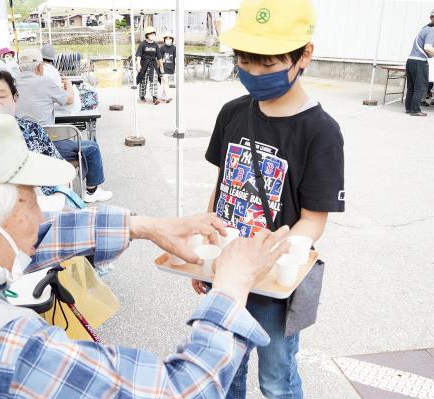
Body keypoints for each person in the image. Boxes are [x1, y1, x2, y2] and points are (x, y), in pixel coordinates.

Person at [0, 105, 292, 398]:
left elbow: (31, 237)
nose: (41, 212)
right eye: (31, 197)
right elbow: (181, 389)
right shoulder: (1, 349)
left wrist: (145, 227)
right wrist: (231, 287)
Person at [194, 0, 346, 397]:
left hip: (276, 284)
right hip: (226, 270)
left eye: (268, 63)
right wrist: (206, 253)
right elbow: (222, 184)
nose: (254, 72)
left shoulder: (321, 132)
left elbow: (314, 220)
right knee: (225, 371)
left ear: (304, 55)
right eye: (245, 60)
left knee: (276, 379)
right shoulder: (231, 112)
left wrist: (264, 261)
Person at [0, 70, 113, 202]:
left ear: (15, 98)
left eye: (3, 96)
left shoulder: (32, 130)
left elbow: (58, 167)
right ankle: (92, 190)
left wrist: (59, 196)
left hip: (43, 202)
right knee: (91, 148)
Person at [15, 48, 75, 126]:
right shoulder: (45, 81)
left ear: (20, 68)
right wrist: (68, 82)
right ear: (40, 66)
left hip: (21, 134)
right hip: (44, 134)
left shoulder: (12, 82)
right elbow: (70, 99)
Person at [405, 10, 434, 116]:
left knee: (411, 87)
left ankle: (409, 108)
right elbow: (428, 48)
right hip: (419, 62)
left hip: (411, 60)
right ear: (432, 18)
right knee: (421, 88)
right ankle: (415, 110)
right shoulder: (432, 30)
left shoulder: (424, 29)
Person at [136, 26, 163, 105]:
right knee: (143, 81)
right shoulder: (143, 44)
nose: (153, 36)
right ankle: (142, 95)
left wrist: (161, 67)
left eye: (154, 34)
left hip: (153, 66)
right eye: (151, 34)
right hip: (144, 65)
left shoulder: (155, 45)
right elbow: (138, 55)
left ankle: (155, 97)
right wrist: (138, 65)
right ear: (147, 35)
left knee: (154, 81)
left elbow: (159, 57)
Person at [159, 32, 176, 102]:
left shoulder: (174, 48)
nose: (168, 40)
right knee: (165, 81)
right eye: (166, 38)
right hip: (163, 68)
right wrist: (161, 67)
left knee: (164, 82)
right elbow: (159, 59)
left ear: (172, 40)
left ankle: (162, 96)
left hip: (171, 68)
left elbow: (175, 58)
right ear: (164, 40)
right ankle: (167, 96)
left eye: (169, 39)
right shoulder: (162, 48)